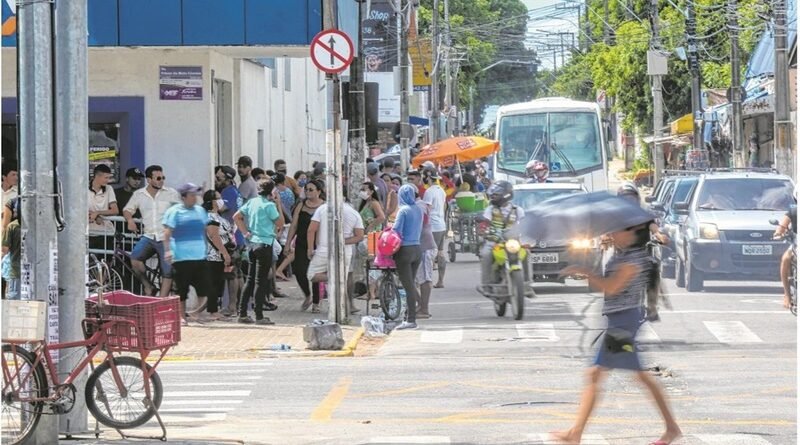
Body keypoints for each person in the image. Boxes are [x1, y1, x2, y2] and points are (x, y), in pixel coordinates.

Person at [551, 222, 682, 445]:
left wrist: (585, 272)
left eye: (617, 230)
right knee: (634, 375)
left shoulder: (633, 258)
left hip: (623, 323)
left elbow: (611, 287)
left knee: (596, 374)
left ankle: (575, 434)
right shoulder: (622, 254)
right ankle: (671, 428)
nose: (611, 233)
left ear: (631, 233)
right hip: (620, 320)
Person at [123, 165, 180, 297]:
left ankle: (161, 300)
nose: (161, 180)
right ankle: (148, 286)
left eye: (163, 178)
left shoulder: (171, 193)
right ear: (149, 180)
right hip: (149, 235)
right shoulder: (139, 194)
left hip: (166, 237)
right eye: (158, 178)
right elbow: (127, 209)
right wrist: (130, 220)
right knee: (135, 259)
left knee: (168, 271)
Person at [233, 178, 285, 325]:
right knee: (260, 282)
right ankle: (259, 316)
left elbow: (236, 217)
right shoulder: (269, 206)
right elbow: (280, 223)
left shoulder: (252, 202)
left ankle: (242, 313)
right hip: (265, 244)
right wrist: (278, 204)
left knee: (250, 279)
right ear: (271, 191)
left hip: (252, 243)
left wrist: (245, 233)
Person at [162, 183, 211, 326]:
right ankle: (181, 316)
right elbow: (167, 232)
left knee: (204, 288)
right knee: (181, 290)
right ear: (183, 197)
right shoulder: (174, 211)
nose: (194, 198)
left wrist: (206, 248)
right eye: (191, 195)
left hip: (199, 256)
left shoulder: (200, 211)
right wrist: (168, 250)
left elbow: (204, 230)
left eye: (196, 195)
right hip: (181, 256)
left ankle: (198, 314)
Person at [306, 200, 365, 314]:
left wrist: (310, 248)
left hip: (324, 249)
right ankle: (344, 303)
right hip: (345, 251)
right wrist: (342, 241)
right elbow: (359, 236)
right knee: (344, 279)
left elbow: (311, 230)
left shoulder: (322, 208)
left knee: (312, 275)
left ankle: (334, 278)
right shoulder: (354, 213)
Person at [286, 179, 326, 311]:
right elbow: (294, 225)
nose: (307, 192)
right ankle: (307, 295)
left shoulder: (324, 206)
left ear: (319, 192)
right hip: (301, 242)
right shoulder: (301, 205)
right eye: (306, 189)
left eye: (311, 189)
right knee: (299, 271)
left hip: (318, 243)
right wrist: (288, 243)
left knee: (315, 273)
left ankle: (316, 302)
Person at [479, 180, 525, 290]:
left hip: (513, 242)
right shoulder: (490, 209)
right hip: (494, 242)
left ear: (506, 195)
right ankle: (486, 284)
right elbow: (485, 222)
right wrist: (483, 229)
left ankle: (528, 283)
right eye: (493, 194)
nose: (493, 196)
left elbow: (524, 224)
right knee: (485, 254)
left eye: (496, 194)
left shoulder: (517, 210)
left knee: (527, 254)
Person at [393, 184, 424, 330]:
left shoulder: (403, 211)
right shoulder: (418, 209)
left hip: (404, 250)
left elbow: (396, 229)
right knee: (411, 283)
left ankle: (411, 319)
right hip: (417, 249)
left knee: (408, 286)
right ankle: (408, 316)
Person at [214, 165, 244, 316]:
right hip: (237, 236)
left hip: (231, 238)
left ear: (227, 178)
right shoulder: (235, 190)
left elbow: (220, 208)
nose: (216, 180)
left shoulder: (229, 192)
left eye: (219, 178)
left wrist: (211, 198)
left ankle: (232, 307)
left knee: (231, 274)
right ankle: (239, 306)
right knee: (237, 273)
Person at [200, 189, 234, 321]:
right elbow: (214, 236)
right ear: (213, 202)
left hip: (218, 255)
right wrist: (224, 253)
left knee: (218, 283)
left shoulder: (217, 216)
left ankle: (211, 310)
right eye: (219, 198)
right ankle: (213, 311)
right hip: (213, 255)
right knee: (213, 284)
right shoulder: (211, 217)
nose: (221, 201)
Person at [422, 169, 447, 288]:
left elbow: (427, 209)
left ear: (428, 177)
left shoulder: (429, 191)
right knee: (440, 253)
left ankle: (429, 280)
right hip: (441, 225)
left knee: (430, 254)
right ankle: (441, 280)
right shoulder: (441, 190)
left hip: (433, 226)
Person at [773, 187, 797, 310]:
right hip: (797, 245)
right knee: (785, 259)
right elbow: (782, 226)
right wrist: (779, 233)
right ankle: (787, 295)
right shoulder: (793, 211)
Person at [88, 164, 119, 254]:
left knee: (106, 263)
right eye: (106, 178)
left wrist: (97, 213)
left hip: (106, 232)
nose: (108, 180)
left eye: (109, 178)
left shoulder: (109, 189)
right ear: (97, 176)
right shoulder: (84, 188)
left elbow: (115, 210)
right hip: (89, 232)